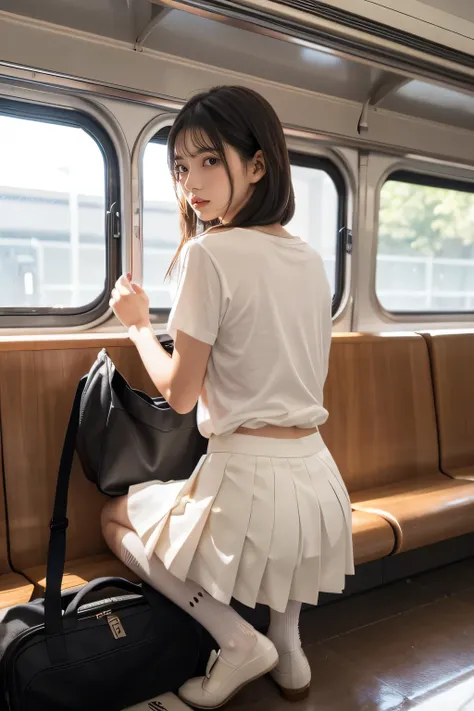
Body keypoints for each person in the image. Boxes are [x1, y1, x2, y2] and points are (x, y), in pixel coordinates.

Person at [103, 85, 354, 709]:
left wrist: (137, 324)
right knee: (280, 528)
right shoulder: (310, 259)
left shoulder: (209, 254)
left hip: (248, 478)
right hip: (319, 482)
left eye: (210, 159)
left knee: (114, 517)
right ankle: (288, 647)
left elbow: (181, 397)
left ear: (259, 164)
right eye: (181, 167)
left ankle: (237, 639)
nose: (193, 181)